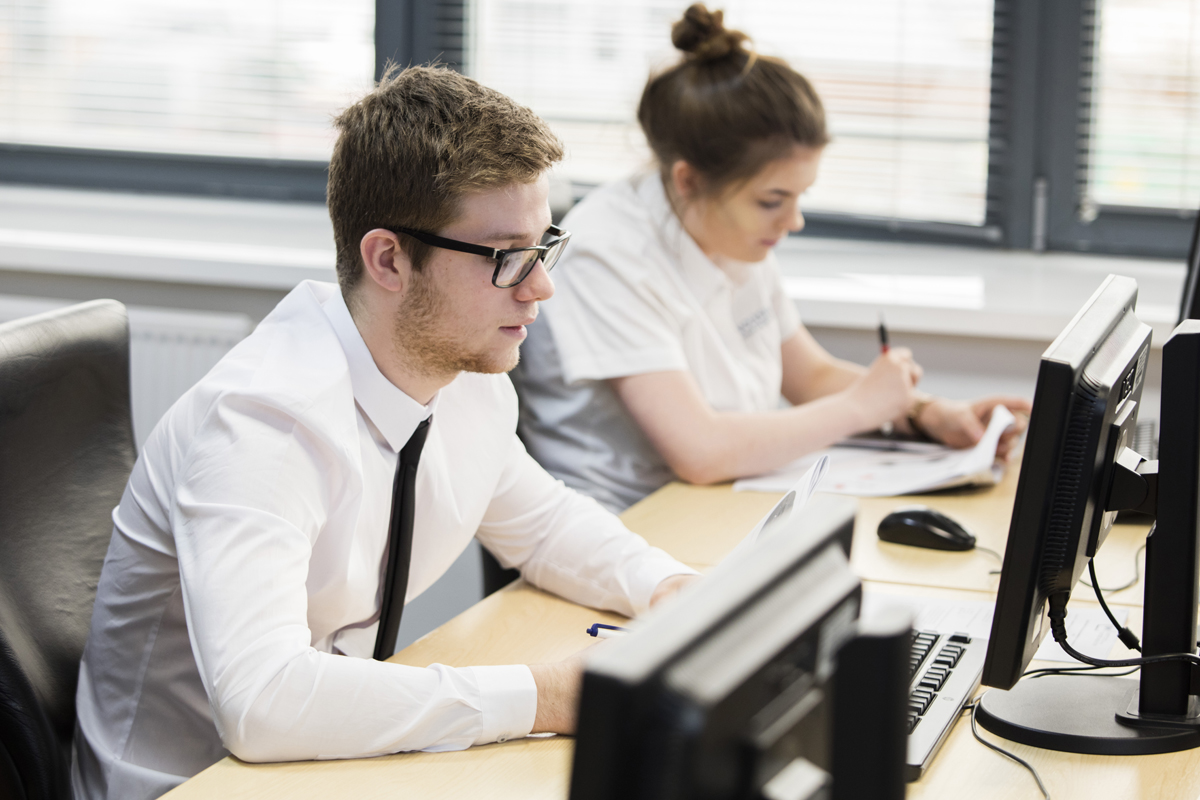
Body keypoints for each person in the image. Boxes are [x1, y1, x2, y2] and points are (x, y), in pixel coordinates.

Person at [71, 66, 699, 800]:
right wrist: (548, 696)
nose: (540, 287)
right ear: (390, 259)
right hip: (192, 785)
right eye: (506, 258)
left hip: (328, 767)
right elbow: (262, 703)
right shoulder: (262, 423)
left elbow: (545, 525)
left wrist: (668, 586)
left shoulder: (465, 380)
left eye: (543, 245)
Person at [511, 4, 1030, 514]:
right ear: (688, 180)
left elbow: (811, 376)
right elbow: (702, 451)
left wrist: (927, 412)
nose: (793, 220)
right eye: (772, 200)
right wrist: (861, 406)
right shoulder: (607, 254)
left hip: (723, 502)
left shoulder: (728, 226)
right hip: (633, 520)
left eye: (799, 197)